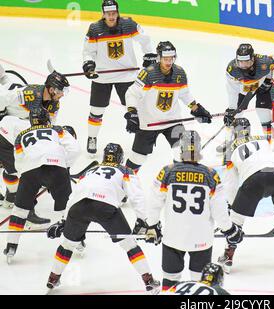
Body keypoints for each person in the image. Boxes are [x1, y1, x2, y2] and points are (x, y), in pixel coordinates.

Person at [45, 143, 160, 293]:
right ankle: (148, 280)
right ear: (120, 158)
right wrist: (142, 220)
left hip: (78, 208)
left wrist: (64, 220)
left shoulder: (89, 171)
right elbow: (136, 196)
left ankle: (53, 278)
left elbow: (73, 196)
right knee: (130, 244)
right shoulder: (125, 170)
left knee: (67, 245)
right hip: (105, 207)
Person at [145, 130, 243, 292]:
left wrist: (152, 225)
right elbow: (219, 209)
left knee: (170, 283)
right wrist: (229, 229)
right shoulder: (210, 174)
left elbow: (154, 202)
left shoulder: (167, 171)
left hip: (173, 237)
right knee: (199, 285)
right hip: (202, 239)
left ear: (180, 148)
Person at [220, 118, 274, 273]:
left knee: (236, 219)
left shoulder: (229, 149)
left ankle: (229, 254)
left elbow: (230, 184)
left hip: (254, 180)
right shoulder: (264, 139)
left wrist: (233, 206)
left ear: (234, 131)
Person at [3, 107, 80, 263]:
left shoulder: (20, 136)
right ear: (47, 119)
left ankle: (11, 246)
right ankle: (78, 241)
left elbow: (18, 163)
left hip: (30, 171)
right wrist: (64, 165)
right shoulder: (57, 129)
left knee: (19, 211)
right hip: (57, 167)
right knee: (68, 208)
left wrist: (28, 178)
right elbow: (75, 149)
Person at [124, 41, 212, 173]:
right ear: (159, 57)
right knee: (138, 158)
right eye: (166, 59)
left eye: (171, 58)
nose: (169, 62)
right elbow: (132, 93)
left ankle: (178, 178)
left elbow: (184, 93)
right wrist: (132, 113)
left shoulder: (179, 73)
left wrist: (196, 108)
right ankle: (125, 181)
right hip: (149, 122)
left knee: (183, 152)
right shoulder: (148, 74)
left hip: (172, 121)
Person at [83, 0, 155, 155]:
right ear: (103, 13)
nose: (111, 16)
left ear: (117, 12)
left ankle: (141, 139)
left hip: (126, 75)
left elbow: (145, 39)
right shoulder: (95, 29)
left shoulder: (128, 25)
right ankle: (92, 137)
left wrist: (149, 55)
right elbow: (89, 51)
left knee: (134, 107)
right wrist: (88, 64)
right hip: (102, 76)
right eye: (108, 13)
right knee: (97, 110)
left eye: (113, 13)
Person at [0, 71, 70, 218]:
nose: (62, 95)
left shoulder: (54, 104)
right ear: (51, 89)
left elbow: (48, 126)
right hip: (7, 128)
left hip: (19, 131)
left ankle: (11, 196)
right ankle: (25, 208)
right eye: (61, 91)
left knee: (16, 166)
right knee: (19, 170)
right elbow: (2, 99)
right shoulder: (29, 94)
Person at [218, 43, 274, 153]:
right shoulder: (232, 70)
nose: (244, 65)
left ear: (253, 59)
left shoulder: (265, 62)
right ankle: (229, 140)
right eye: (241, 62)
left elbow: (273, 64)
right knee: (235, 113)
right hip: (245, 89)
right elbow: (232, 90)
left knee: (263, 112)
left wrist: (268, 81)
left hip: (263, 86)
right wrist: (232, 108)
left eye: (247, 62)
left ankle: (270, 141)